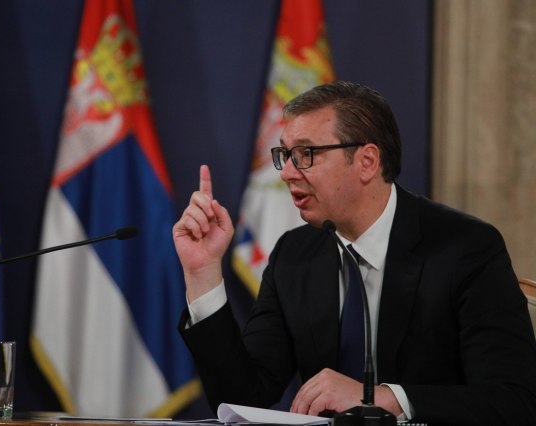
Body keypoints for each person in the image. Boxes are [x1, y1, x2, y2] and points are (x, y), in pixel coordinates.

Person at [172, 81, 536, 425]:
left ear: (367, 161)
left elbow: (514, 401)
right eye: (286, 155)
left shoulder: (465, 248)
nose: (287, 173)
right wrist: (203, 274)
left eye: (306, 154)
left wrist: (386, 399)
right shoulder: (294, 256)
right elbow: (243, 397)